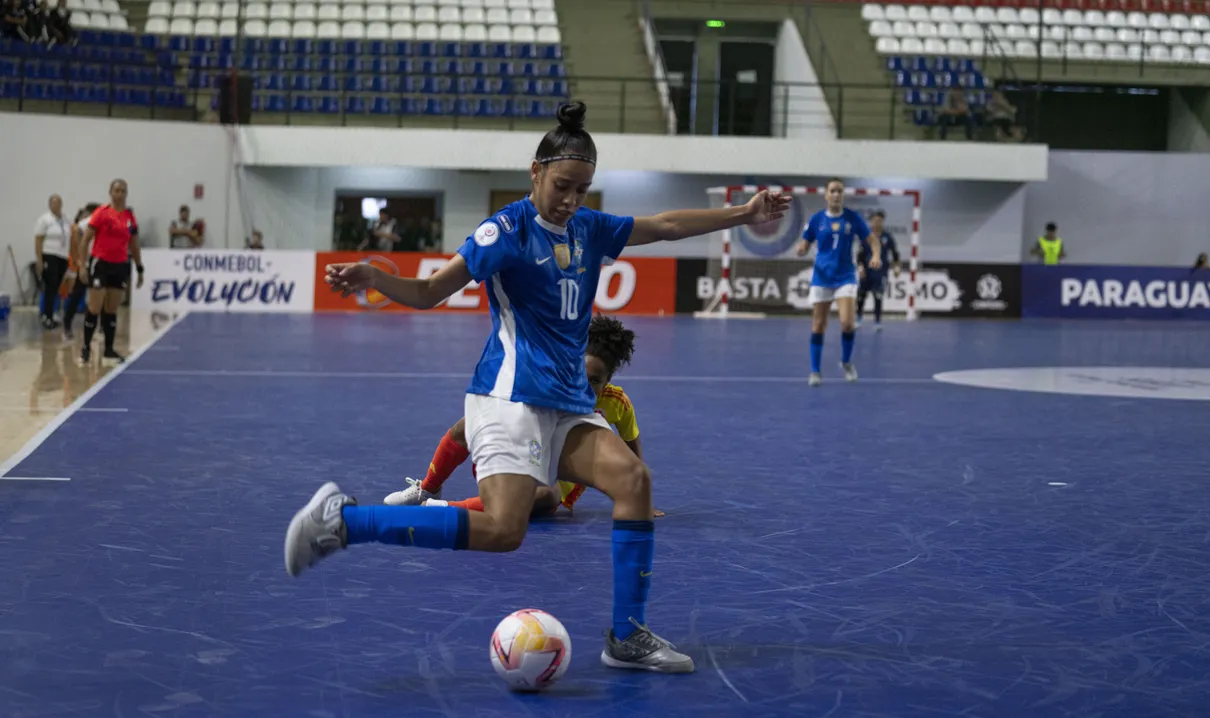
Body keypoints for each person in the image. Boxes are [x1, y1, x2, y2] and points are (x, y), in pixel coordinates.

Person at [285, 101, 790, 674]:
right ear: (536, 172)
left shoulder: (591, 229)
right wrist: (377, 278)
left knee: (634, 481)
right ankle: (345, 521)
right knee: (504, 532)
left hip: (569, 400)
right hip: (511, 398)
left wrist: (743, 214)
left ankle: (626, 637)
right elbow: (430, 293)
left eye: (583, 189)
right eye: (563, 185)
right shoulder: (505, 230)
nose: (572, 199)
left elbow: (667, 225)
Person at [386, 314, 665, 518]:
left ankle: (444, 510)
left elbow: (631, 447)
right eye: (581, 374)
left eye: (595, 380)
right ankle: (428, 490)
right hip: (528, 453)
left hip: (557, 483)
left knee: (544, 496)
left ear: (608, 379)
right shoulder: (551, 381)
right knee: (469, 425)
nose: (584, 384)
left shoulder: (617, 403)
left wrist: (641, 498)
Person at [796, 178, 880, 387]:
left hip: (846, 276)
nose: (835, 194)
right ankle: (815, 371)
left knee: (847, 323)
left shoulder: (852, 219)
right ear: (826, 195)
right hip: (822, 277)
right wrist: (801, 249)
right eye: (832, 191)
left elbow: (871, 240)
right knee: (818, 325)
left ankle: (846, 362)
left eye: (839, 191)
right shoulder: (816, 220)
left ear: (843, 195)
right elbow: (805, 243)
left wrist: (876, 255)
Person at [79, 179, 144, 365]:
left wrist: (139, 267)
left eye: (123, 190)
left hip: (120, 265)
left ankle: (108, 349)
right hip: (101, 264)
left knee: (111, 309)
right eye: (116, 190)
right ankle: (85, 347)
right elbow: (85, 240)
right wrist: (82, 265)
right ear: (110, 192)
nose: (120, 194)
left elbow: (134, 243)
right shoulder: (102, 213)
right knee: (95, 307)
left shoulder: (130, 218)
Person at [855, 209, 900, 332]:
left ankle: (878, 321)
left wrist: (896, 266)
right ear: (871, 222)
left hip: (880, 272)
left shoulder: (887, 237)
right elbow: (859, 255)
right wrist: (860, 267)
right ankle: (858, 318)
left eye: (879, 221)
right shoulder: (865, 237)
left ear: (883, 222)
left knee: (878, 296)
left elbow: (895, 253)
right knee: (861, 295)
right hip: (866, 272)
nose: (876, 223)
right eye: (874, 220)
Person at [62, 202, 100, 341]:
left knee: (100, 295)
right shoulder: (87, 222)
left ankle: (98, 328)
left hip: (99, 263)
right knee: (76, 294)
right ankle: (67, 325)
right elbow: (77, 230)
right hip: (85, 262)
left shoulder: (105, 222)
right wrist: (79, 259)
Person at [33, 193, 71, 330]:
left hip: (62, 256)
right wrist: (39, 259)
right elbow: (38, 239)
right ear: (50, 205)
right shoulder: (45, 220)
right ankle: (46, 315)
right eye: (54, 202)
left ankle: (52, 313)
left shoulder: (65, 219)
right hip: (49, 254)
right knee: (50, 285)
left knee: (57, 287)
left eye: (59, 202)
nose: (57, 205)